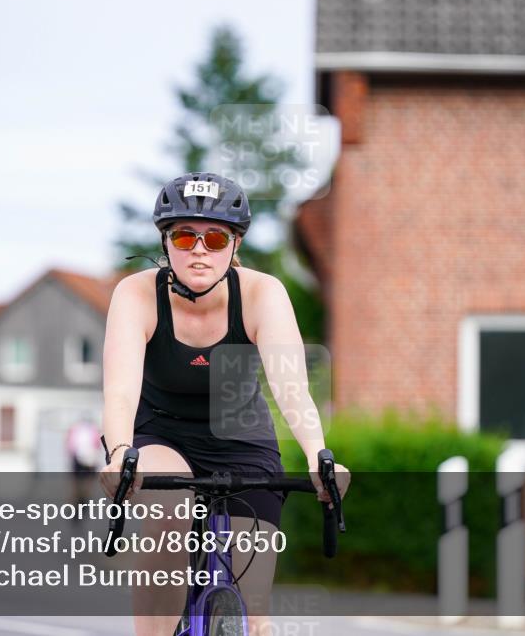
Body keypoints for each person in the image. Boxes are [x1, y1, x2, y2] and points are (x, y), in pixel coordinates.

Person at [99, 172, 350, 636]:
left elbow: (291, 386)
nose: (199, 249)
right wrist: (118, 454)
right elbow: (119, 390)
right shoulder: (135, 295)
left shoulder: (261, 294)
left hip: (240, 434)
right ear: (165, 242)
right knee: (166, 509)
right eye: (183, 236)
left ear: (234, 246)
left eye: (214, 238)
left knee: (254, 618)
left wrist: (319, 454)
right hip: (160, 430)